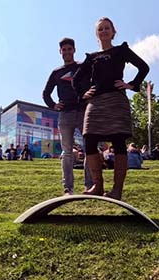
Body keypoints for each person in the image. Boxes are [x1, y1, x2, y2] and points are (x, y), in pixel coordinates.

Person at [73, 17, 149, 199]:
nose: (104, 31)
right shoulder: (91, 58)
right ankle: (97, 186)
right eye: (100, 29)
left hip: (116, 101)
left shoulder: (121, 51)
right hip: (96, 103)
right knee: (89, 139)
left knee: (118, 141)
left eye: (107, 28)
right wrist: (83, 93)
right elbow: (76, 79)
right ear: (96, 34)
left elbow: (143, 67)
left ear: (113, 32)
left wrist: (131, 84)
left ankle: (117, 190)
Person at [43, 37, 93, 195]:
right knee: (67, 152)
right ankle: (68, 189)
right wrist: (53, 105)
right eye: (64, 49)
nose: (66, 52)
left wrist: (92, 95)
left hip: (84, 112)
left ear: (74, 50)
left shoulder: (82, 66)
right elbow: (46, 93)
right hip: (65, 115)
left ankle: (90, 186)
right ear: (60, 52)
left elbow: (94, 82)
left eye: (69, 49)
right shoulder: (56, 72)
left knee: (90, 149)